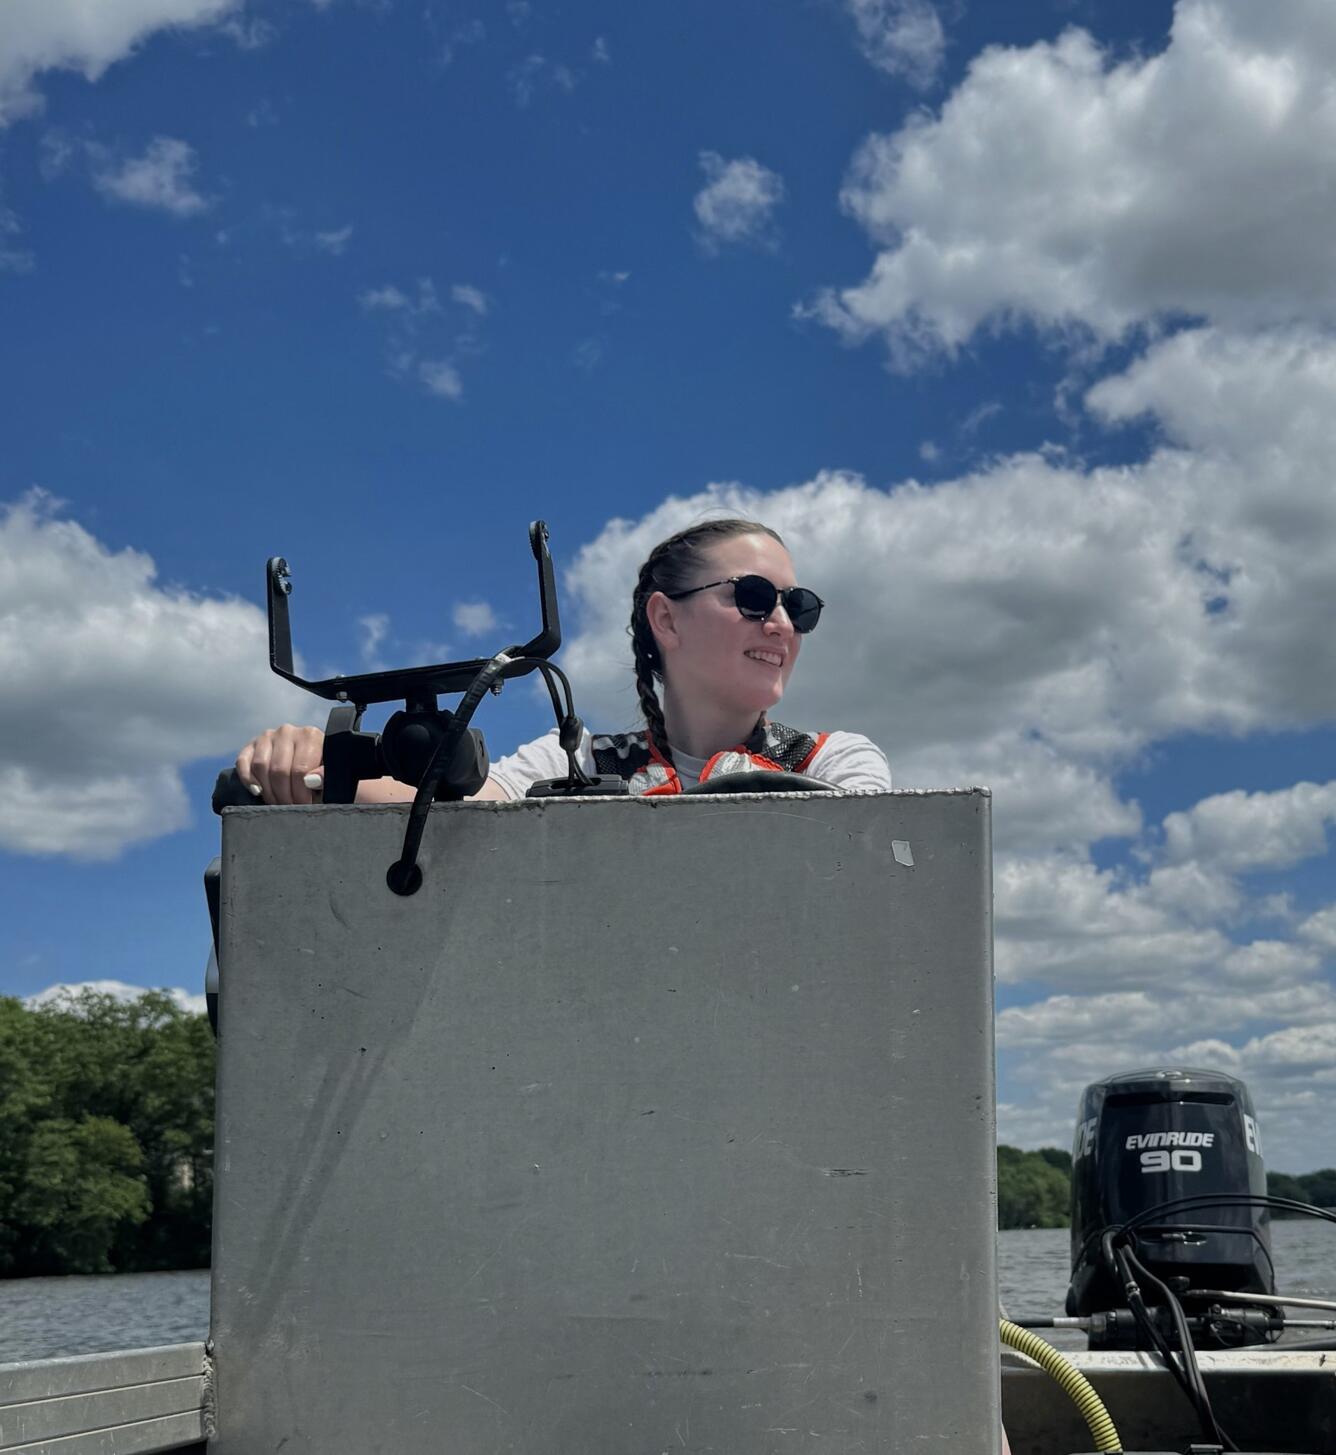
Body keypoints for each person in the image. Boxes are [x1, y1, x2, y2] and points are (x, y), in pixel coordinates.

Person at [235, 518, 891, 802]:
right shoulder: (573, 762)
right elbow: (460, 805)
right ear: (666, 618)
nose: (781, 623)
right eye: (752, 597)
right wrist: (314, 768)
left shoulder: (837, 762)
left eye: (796, 605)